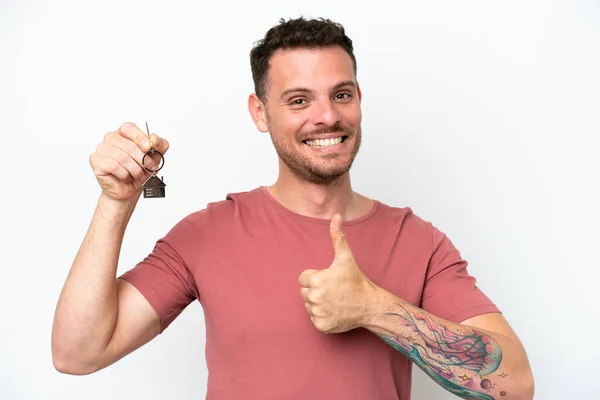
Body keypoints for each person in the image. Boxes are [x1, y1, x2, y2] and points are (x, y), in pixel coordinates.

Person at [51, 17, 534, 400]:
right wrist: (116, 202)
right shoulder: (206, 234)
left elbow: (516, 385)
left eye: (340, 94)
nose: (327, 115)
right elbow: (78, 353)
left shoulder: (417, 240)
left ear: (359, 99)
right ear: (260, 112)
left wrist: (374, 307)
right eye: (298, 100)